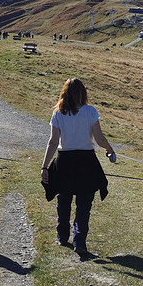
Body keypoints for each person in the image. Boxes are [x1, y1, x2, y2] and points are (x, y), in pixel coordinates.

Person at [40, 77, 116, 257]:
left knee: (63, 201)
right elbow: (99, 138)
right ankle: (79, 241)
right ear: (83, 93)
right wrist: (110, 150)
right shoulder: (90, 112)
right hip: (86, 162)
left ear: (64, 93)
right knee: (84, 204)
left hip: (65, 161)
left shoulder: (58, 113)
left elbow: (53, 142)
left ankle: (62, 236)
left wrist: (44, 167)